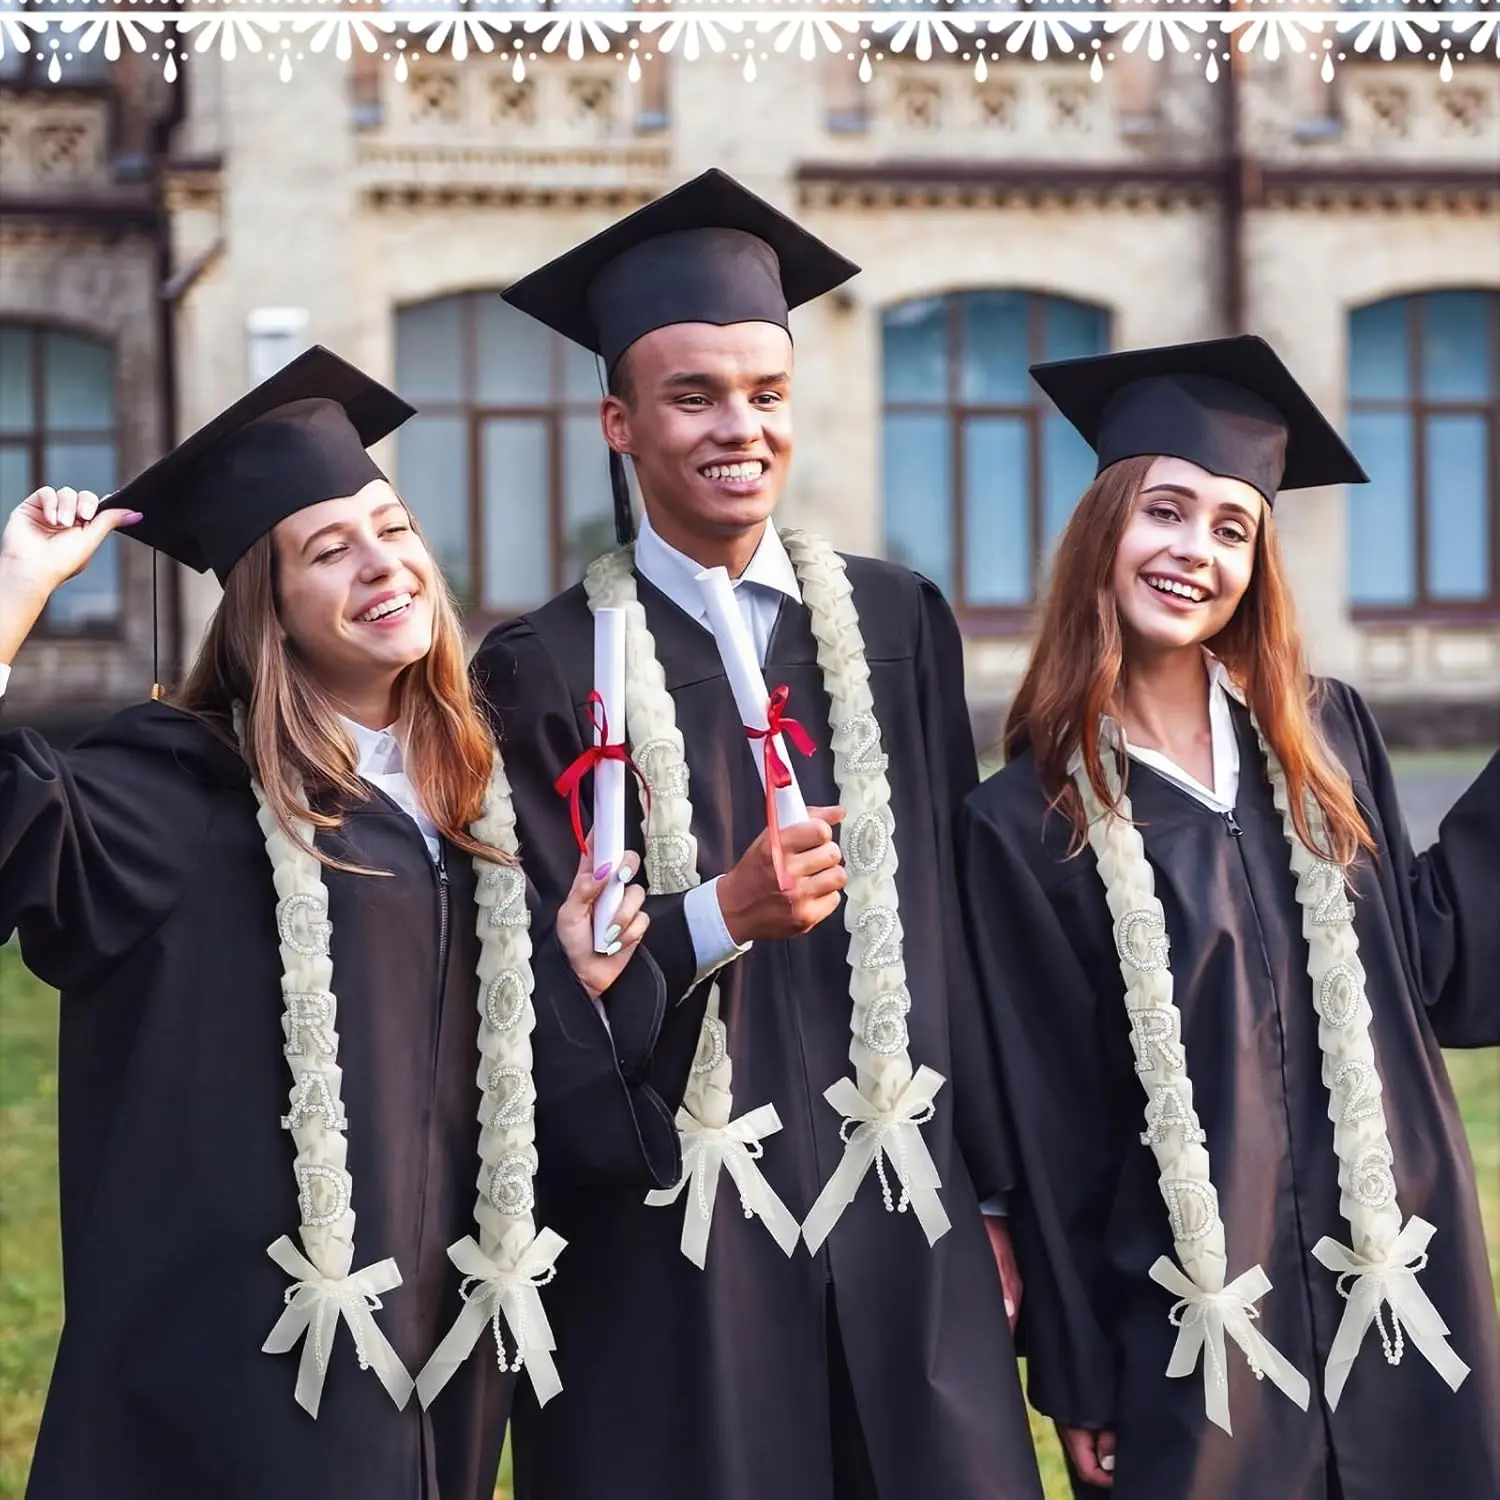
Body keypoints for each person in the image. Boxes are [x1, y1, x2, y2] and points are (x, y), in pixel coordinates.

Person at [0, 347, 663, 1500]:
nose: (381, 563)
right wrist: (16, 591)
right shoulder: (179, 791)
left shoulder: (469, 801)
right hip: (242, 1373)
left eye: (391, 528)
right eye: (328, 549)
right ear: (269, 608)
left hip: (432, 1356)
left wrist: (562, 977)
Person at [470, 169, 1042, 1500]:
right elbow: (528, 1001)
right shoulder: (543, 671)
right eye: (695, 396)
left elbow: (959, 930)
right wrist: (717, 915)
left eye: (767, 394)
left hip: (904, 1210)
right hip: (680, 1243)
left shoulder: (896, 624)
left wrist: (995, 1200)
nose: (742, 427)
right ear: (619, 422)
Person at [959, 335, 1500, 1500]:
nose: (1193, 552)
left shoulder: (1323, 737)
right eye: (1164, 512)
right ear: (1104, 527)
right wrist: (1080, 1375)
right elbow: (1051, 1126)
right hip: (1196, 1334)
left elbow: (1432, 957)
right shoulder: (1023, 821)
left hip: (1398, 1282)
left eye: (1231, 529)